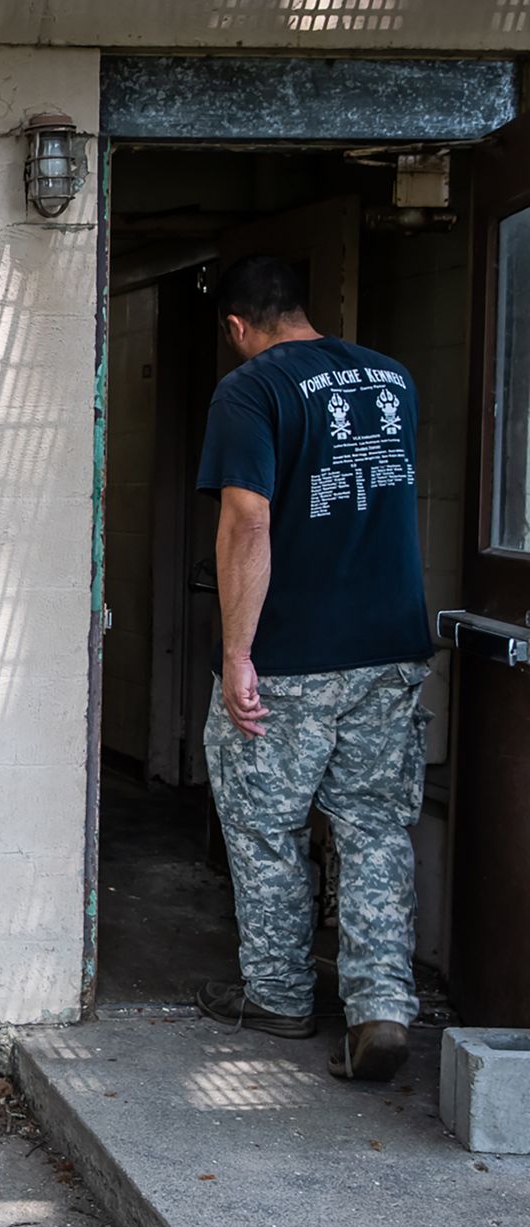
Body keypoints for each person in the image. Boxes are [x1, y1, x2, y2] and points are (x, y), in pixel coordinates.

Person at [192, 255, 433, 1083]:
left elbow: (248, 522)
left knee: (265, 825)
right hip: (391, 647)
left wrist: (236, 653)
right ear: (303, 308)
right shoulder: (393, 380)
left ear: (237, 326)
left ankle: (282, 996)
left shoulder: (251, 389)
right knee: (374, 827)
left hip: (292, 656)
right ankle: (380, 1010)